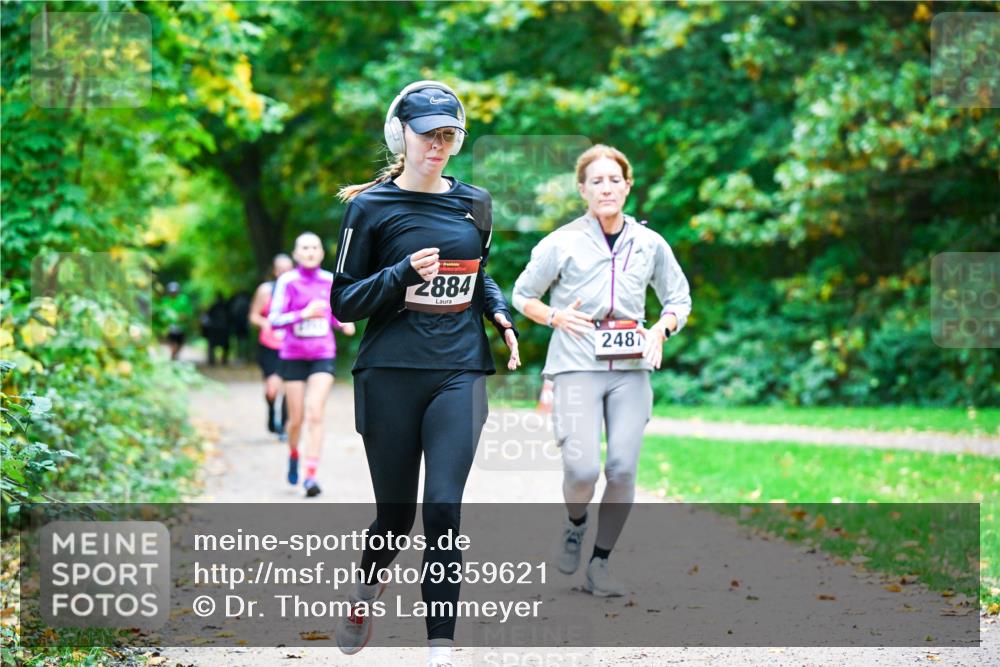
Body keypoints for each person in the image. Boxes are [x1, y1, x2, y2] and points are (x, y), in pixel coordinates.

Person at [330, 80, 520, 667]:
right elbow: (343, 302)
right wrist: (400, 276)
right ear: (401, 136)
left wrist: (499, 311)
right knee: (396, 515)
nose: (437, 146)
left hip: (458, 370)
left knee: (442, 507)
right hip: (388, 372)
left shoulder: (476, 204)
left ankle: (441, 647)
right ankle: (366, 587)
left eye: (448, 136)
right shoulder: (369, 209)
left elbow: (477, 270)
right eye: (427, 135)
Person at [511, 144, 692, 597]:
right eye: (597, 181)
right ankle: (575, 524)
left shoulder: (650, 243)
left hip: (630, 369)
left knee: (623, 469)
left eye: (615, 180)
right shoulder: (561, 241)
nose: (606, 188)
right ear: (582, 190)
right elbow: (521, 295)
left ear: (628, 187)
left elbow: (678, 300)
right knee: (582, 470)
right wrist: (554, 317)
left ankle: (600, 563)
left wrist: (661, 331)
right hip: (575, 365)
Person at [268, 235, 355, 497]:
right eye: (304, 247)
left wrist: (343, 322)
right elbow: (274, 319)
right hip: (293, 356)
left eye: (314, 247)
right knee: (296, 420)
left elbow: (335, 311)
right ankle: (294, 453)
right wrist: (302, 314)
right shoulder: (287, 281)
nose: (309, 251)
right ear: (296, 254)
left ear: (321, 253)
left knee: (315, 412)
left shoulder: (330, 281)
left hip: (322, 354)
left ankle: (311, 475)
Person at [249, 254, 294, 439]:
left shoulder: (296, 288)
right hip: (268, 345)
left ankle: (283, 426)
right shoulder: (265, 290)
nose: (285, 272)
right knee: (272, 389)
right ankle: (271, 411)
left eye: (288, 268)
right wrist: (265, 323)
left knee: (288, 386)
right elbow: (253, 315)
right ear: (275, 271)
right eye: (281, 269)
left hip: (290, 345)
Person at [159, 281, 193, 361]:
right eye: (172, 292)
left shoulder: (184, 299)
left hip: (181, 326)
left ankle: (175, 353)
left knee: (181, 343)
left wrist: (184, 316)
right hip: (169, 326)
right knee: (172, 341)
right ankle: (173, 353)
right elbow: (161, 312)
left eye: (175, 291)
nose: (173, 293)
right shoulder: (165, 300)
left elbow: (189, 312)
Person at [201, 293, 231, 366]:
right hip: (222, 329)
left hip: (215, 329)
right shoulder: (226, 307)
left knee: (212, 345)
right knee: (225, 346)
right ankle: (222, 360)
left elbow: (206, 317)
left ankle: (213, 361)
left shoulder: (214, 307)